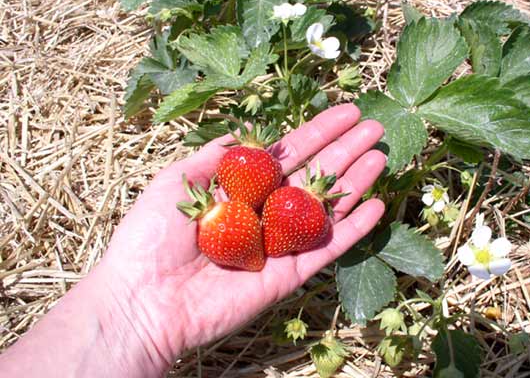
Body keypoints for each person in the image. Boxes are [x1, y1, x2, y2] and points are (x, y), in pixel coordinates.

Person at [0, 104, 386, 377]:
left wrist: (131, 321)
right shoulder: (236, 204)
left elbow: (264, 218)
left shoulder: (258, 198)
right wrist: (129, 314)